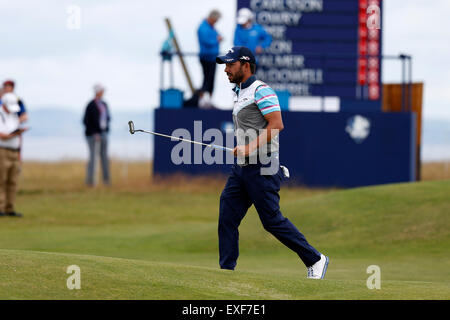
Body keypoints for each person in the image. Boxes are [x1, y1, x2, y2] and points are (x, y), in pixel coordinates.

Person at [215, 46, 329, 279]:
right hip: (242, 168)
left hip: (263, 166)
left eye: (230, 64)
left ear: (245, 66)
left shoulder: (261, 90)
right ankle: (226, 273)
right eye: (225, 65)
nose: (226, 69)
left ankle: (315, 259)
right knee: (227, 214)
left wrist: (248, 147)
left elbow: (276, 124)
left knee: (271, 221)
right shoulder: (239, 92)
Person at [0, 80, 29, 217]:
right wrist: (15, 133)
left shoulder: (14, 115)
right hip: (2, 151)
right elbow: (3, 135)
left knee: (12, 181)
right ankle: (0, 209)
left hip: (14, 151)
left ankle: (9, 208)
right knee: (1, 181)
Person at [82, 84, 111, 187]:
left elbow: (107, 118)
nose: (103, 92)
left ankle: (106, 181)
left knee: (105, 158)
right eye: (101, 90)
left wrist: (105, 130)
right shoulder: (91, 105)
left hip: (103, 134)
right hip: (92, 135)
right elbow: (86, 121)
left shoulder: (104, 104)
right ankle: (90, 181)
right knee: (93, 158)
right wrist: (94, 132)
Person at [197, 9, 223, 108]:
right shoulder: (203, 28)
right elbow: (206, 42)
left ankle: (209, 100)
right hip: (206, 57)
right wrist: (217, 40)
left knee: (211, 79)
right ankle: (202, 99)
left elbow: (217, 36)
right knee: (206, 79)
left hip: (213, 57)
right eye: (216, 20)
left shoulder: (212, 27)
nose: (216, 22)